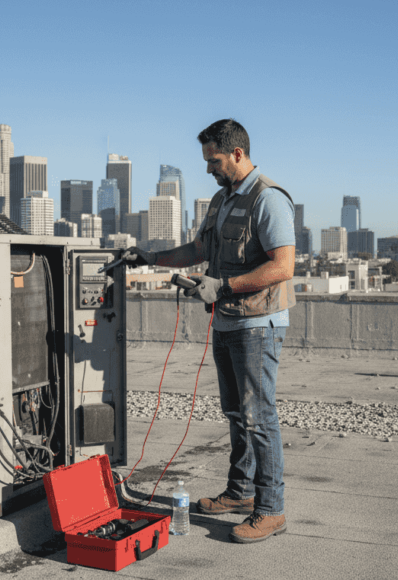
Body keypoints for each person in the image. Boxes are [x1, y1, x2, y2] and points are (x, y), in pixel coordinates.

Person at [125, 119, 295, 543]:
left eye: (214, 160)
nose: (208, 169)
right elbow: (199, 249)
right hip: (226, 321)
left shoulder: (268, 198)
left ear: (237, 153)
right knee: (237, 414)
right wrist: (151, 258)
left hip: (257, 325)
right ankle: (240, 492)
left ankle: (271, 510)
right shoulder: (221, 200)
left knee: (259, 418)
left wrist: (224, 286)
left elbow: (283, 266)